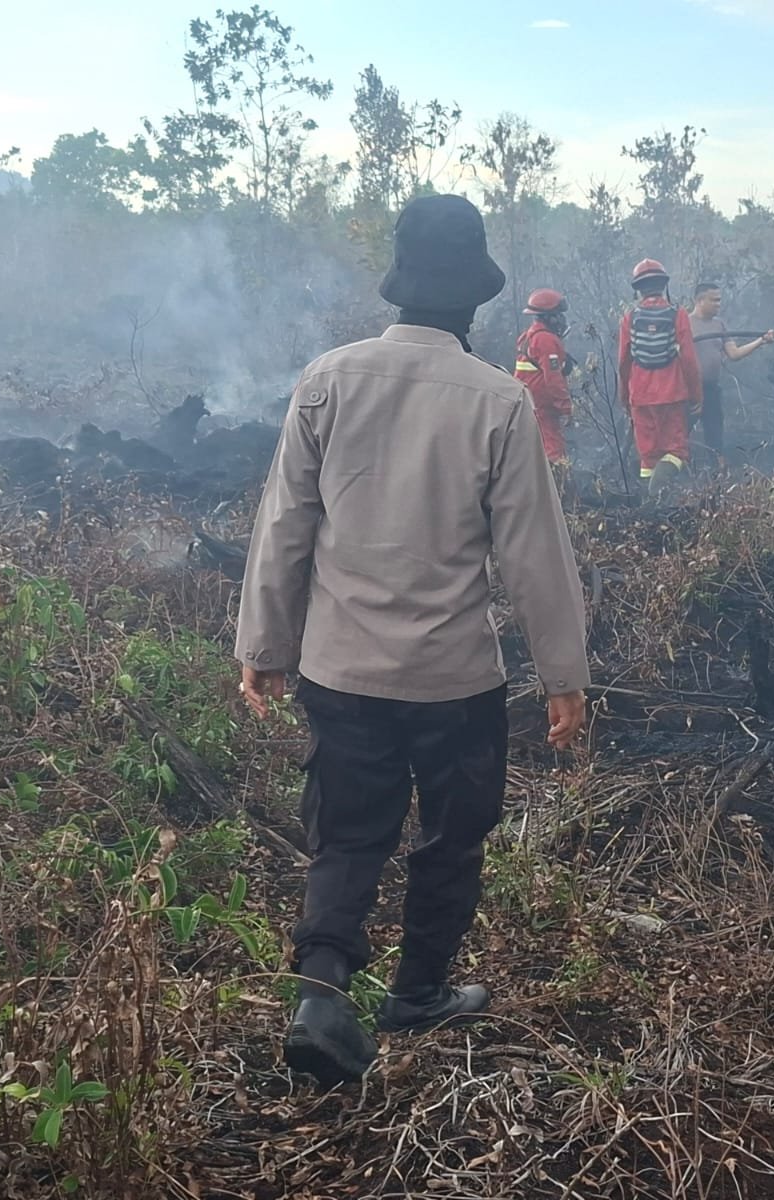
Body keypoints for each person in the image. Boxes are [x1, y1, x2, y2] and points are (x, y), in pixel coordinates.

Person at [235, 194, 591, 1089]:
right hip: (452, 682)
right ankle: (417, 991)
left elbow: (285, 526)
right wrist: (564, 676)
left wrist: (263, 644)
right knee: (451, 836)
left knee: (349, 836)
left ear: (398, 286)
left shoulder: (327, 379)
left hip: (339, 671)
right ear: (475, 300)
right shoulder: (500, 402)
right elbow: (534, 555)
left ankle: (321, 994)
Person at [617, 259, 703, 494]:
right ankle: (656, 499)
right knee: (676, 452)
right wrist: (696, 396)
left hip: (640, 397)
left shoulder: (629, 318)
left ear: (638, 289)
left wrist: (625, 397)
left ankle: (651, 509)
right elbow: (689, 360)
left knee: (648, 456)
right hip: (672, 394)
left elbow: (624, 362)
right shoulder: (678, 314)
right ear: (663, 284)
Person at [688, 283, 774, 468]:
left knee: (715, 437)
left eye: (719, 300)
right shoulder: (684, 324)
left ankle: (716, 480)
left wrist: (761, 341)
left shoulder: (720, 325)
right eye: (714, 300)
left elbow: (734, 354)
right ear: (699, 300)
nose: (718, 304)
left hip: (710, 391)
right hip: (687, 393)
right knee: (678, 437)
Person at [514, 288, 573, 469]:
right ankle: (557, 489)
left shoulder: (531, 335)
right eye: (559, 315)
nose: (562, 320)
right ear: (549, 317)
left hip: (530, 404)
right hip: (542, 407)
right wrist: (565, 408)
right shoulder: (545, 340)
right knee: (553, 451)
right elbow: (553, 380)